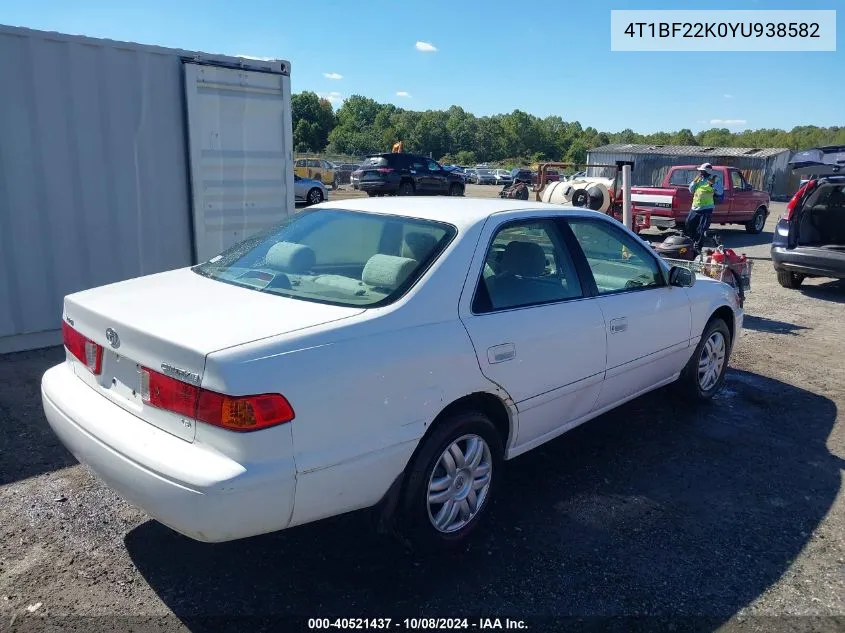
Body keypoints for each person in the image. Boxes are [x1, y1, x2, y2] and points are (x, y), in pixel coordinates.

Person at [686, 163, 724, 248]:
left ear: (707, 171)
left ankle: (698, 247)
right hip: (695, 207)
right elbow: (691, 190)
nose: (700, 172)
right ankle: (693, 240)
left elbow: (720, 192)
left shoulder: (714, 179)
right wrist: (694, 181)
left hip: (706, 208)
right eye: (700, 171)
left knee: (702, 229)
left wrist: (713, 185)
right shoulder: (698, 179)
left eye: (702, 171)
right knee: (689, 224)